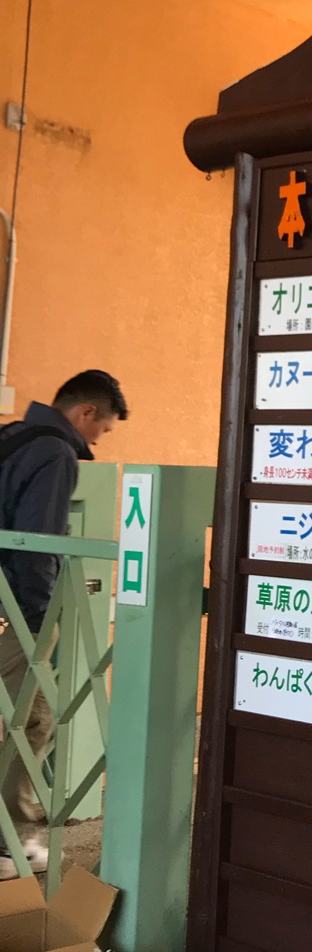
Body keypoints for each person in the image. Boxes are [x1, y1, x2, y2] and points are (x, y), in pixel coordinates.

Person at [0, 370, 127, 875]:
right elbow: (39, 543)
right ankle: (10, 841)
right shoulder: (55, 452)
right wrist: (38, 620)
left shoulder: (11, 435)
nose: (97, 440)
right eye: (102, 429)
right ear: (86, 412)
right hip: (19, 609)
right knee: (30, 720)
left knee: (26, 717)